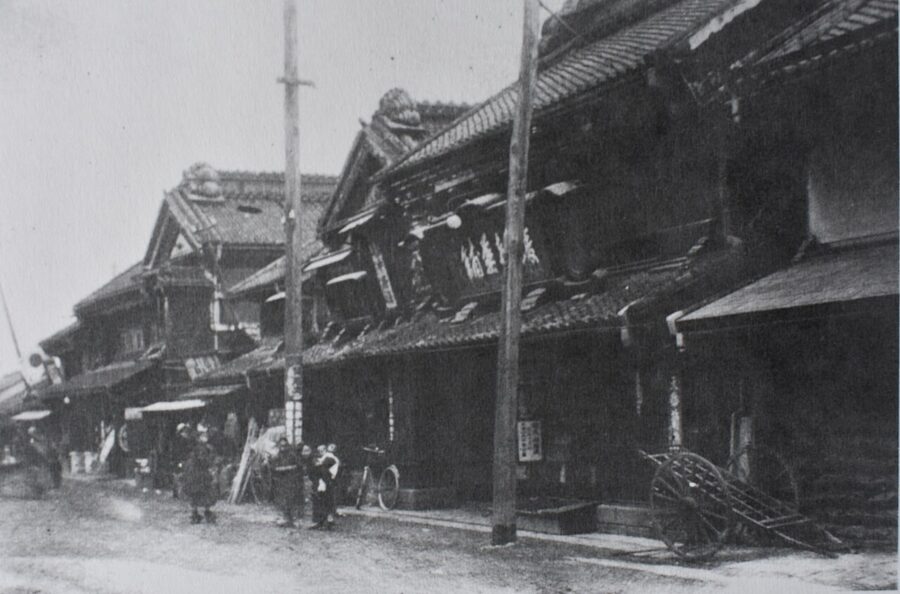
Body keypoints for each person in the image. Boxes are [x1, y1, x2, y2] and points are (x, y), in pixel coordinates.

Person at [181, 430, 218, 524]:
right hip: (198, 473)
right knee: (203, 492)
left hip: (195, 473)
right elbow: (203, 460)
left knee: (198, 493)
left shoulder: (200, 448)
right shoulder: (201, 448)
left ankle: (197, 513)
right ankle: (202, 513)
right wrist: (209, 464)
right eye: (203, 436)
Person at [271, 437, 303, 528]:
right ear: (279, 446)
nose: (283, 447)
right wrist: (286, 468)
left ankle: (293, 520)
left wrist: (290, 468)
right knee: (283, 501)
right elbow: (273, 468)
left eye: (285, 445)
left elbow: (299, 466)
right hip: (281, 482)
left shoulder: (292, 456)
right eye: (281, 445)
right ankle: (285, 519)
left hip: (292, 481)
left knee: (292, 500)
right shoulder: (276, 457)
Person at [309, 445, 336, 530]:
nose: (321, 452)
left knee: (327, 502)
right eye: (319, 450)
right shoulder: (321, 458)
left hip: (328, 481)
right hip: (320, 481)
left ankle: (328, 523)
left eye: (322, 450)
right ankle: (319, 521)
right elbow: (316, 466)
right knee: (319, 501)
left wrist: (320, 464)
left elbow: (328, 467)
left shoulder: (330, 458)